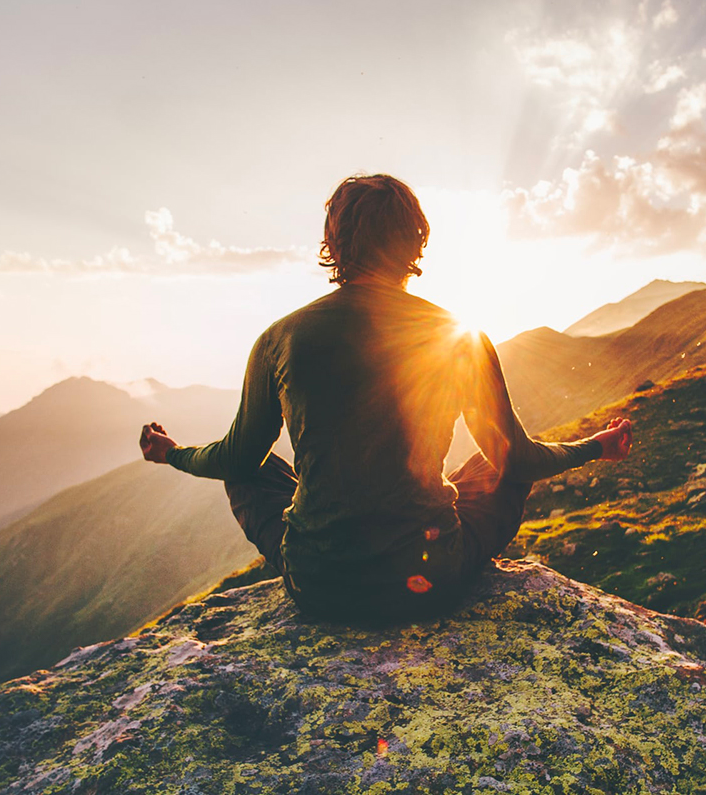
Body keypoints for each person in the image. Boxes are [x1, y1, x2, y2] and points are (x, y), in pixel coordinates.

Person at [140, 174, 632, 621]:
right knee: (495, 465)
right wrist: (596, 446)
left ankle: (327, 543)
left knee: (250, 467)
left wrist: (173, 454)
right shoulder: (459, 336)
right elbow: (519, 460)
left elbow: (234, 457)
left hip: (318, 586)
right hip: (430, 581)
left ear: (334, 243)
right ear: (416, 240)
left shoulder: (281, 337)